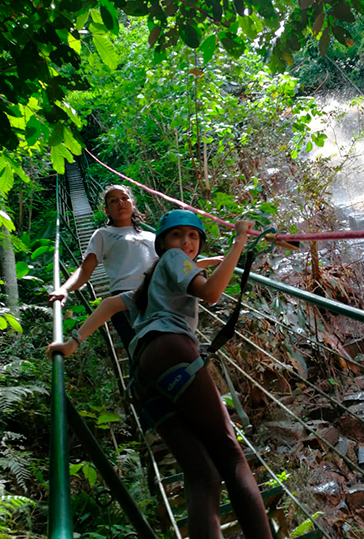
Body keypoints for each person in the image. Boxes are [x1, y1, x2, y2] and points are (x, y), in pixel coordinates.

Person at [47, 210, 272, 539]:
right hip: (173, 351)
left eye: (193, 236)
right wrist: (239, 239)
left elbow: (110, 306)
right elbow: (210, 293)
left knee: (202, 475)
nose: (186, 242)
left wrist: (71, 344)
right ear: (162, 244)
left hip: (144, 375)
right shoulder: (175, 260)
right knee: (231, 456)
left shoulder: (148, 285)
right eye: (178, 235)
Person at [48, 184, 222, 352]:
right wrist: (65, 289)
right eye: (114, 201)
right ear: (107, 210)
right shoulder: (103, 234)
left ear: (132, 203)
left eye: (124, 198)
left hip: (156, 296)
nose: (120, 203)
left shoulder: (152, 236)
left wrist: (207, 261)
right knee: (142, 355)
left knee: (165, 356)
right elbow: (85, 270)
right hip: (125, 300)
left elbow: (169, 268)